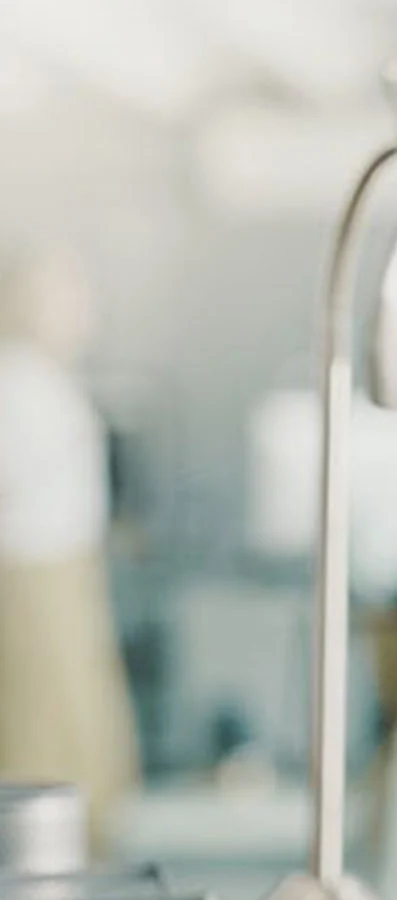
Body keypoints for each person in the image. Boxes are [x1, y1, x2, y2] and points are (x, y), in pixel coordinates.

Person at [0, 243, 141, 857]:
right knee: (41, 741)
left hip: (63, 580)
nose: (84, 310)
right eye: (68, 295)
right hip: (31, 585)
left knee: (77, 738)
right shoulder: (16, 384)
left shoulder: (43, 382)